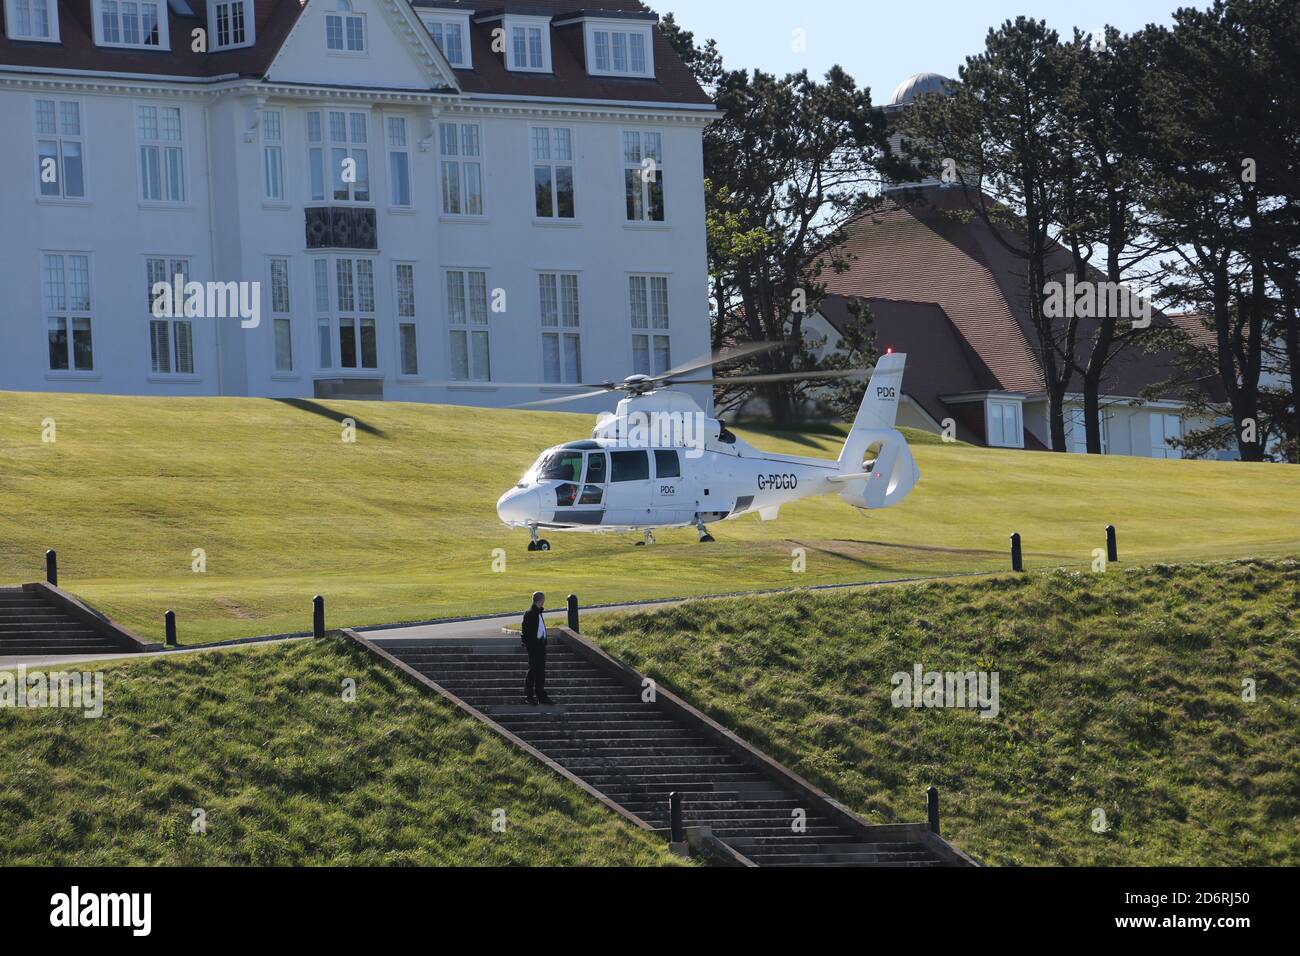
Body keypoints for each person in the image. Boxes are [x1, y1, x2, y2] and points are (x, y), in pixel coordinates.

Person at [521, 591, 553, 706]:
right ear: (542, 600)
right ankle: (529, 696)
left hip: (541, 646)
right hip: (534, 647)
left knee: (540, 672)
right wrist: (532, 645)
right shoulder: (530, 613)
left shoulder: (537, 612)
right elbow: (526, 633)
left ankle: (541, 696)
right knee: (533, 671)